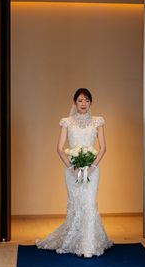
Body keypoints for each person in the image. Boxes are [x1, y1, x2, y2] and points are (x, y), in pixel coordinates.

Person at [35, 88, 113, 257]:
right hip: (72, 170)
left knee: (90, 203)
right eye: (80, 100)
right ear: (74, 103)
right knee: (76, 204)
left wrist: (92, 166)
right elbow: (59, 148)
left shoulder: (98, 121)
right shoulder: (66, 122)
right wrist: (72, 167)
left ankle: (88, 246)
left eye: (87, 100)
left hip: (92, 169)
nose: (83, 104)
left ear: (91, 103)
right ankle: (74, 240)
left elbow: (103, 148)